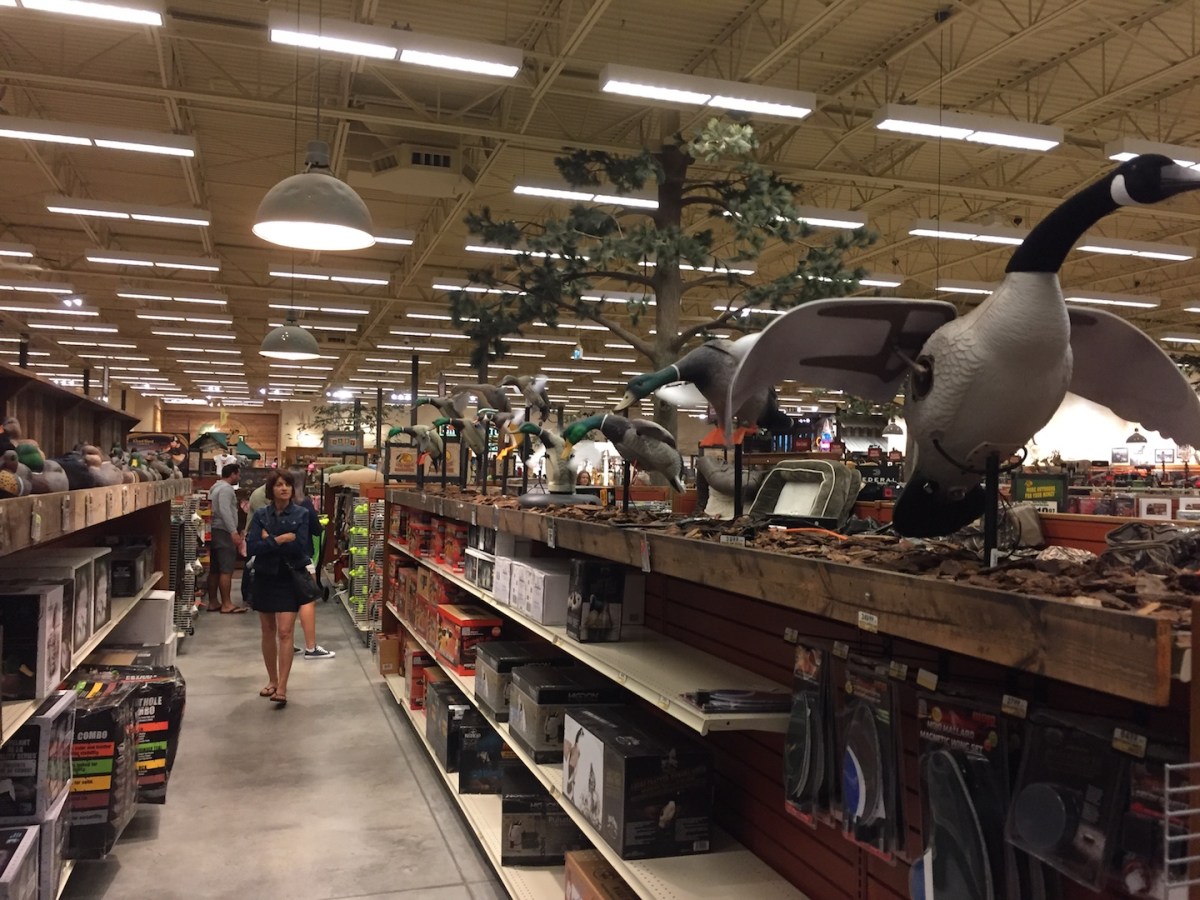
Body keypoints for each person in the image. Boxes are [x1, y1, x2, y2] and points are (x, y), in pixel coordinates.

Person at [245, 470, 315, 706]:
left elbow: (302, 547)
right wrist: (282, 539)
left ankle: (282, 686)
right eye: (279, 485)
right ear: (271, 489)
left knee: (285, 632)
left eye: (287, 485)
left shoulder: (302, 514)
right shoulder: (261, 515)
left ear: (293, 489)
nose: (284, 488)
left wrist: (269, 539)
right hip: (265, 576)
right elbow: (252, 547)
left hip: (288, 577)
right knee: (267, 630)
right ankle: (272, 680)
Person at [291, 469, 334, 660]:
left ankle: (288, 643)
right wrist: (320, 524)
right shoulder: (305, 503)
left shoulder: (275, 505)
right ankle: (311, 647)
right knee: (307, 600)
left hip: (282, 559)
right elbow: (316, 530)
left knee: (288, 602)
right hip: (302, 556)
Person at [206, 463, 247, 613]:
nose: (239, 477)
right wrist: (233, 531)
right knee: (226, 569)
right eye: (238, 474)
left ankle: (213, 602)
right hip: (223, 531)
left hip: (214, 530)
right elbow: (225, 511)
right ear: (233, 474)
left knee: (215, 569)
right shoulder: (226, 489)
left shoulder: (214, 487)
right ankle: (227, 604)